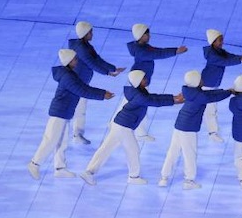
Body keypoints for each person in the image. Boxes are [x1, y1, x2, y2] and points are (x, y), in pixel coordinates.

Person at [81, 70, 183, 186]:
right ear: (138, 81)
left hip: (120, 124)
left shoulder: (137, 91)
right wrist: (174, 101)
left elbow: (154, 97)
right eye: (143, 78)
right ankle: (133, 177)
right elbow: (153, 101)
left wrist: (174, 97)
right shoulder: (139, 96)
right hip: (124, 127)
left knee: (106, 149)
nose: (146, 79)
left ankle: (89, 172)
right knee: (132, 150)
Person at [28, 50, 114, 180]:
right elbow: (83, 90)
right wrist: (102, 94)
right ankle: (34, 164)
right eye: (74, 59)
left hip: (65, 112)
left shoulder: (69, 74)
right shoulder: (68, 77)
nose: (77, 61)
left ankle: (60, 168)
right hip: (59, 113)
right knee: (50, 140)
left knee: (62, 142)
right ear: (69, 61)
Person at [159, 70, 232, 190]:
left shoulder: (189, 91)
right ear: (196, 81)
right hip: (189, 128)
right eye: (200, 78)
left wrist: (227, 90)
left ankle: (164, 178)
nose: (202, 80)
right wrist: (229, 92)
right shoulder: (199, 96)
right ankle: (189, 180)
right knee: (190, 154)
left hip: (180, 124)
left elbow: (210, 93)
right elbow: (213, 97)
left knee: (173, 151)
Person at [121, 23, 188, 141]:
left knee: (129, 104)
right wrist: (175, 51)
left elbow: (157, 51)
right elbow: (158, 53)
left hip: (138, 82)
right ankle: (139, 133)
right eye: (147, 34)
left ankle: (119, 126)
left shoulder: (142, 47)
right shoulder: (142, 51)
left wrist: (175, 51)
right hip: (138, 83)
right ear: (141, 35)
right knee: (141, 105)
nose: (149, 36)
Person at [68, 21, 125, 144]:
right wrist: (108, 73)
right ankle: (75, 134)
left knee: (79, 108)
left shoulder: (86, 46)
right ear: (85, 33)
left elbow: (97, 59)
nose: (92, 34)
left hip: (82, 82)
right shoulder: (81, 49)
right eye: (90, 32)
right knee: (77, 109)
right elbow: (92, 63)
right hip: (77, 83)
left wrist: (113, 68)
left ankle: (77, 134)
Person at [202, 29, 242, 143]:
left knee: (210, 109)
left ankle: (212, 131)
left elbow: (230, 57)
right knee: (210, 109)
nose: (222, 42)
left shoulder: (220, 51)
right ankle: (212, 133)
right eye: (219, 40)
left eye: (222, 40)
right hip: (207, 84)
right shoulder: (212, 55)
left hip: (212, 84)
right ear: (213, 41)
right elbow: (225, 62)